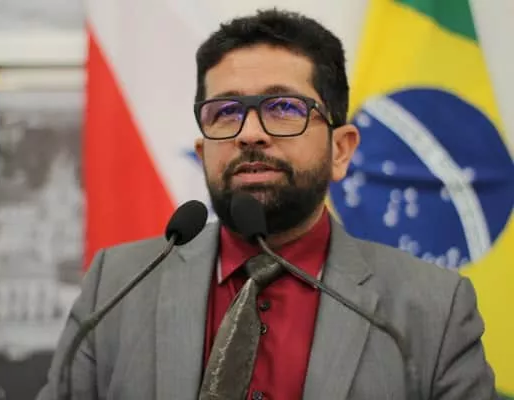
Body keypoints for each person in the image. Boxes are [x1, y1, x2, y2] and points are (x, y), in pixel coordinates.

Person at [37, 9, 496, 400]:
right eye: (226, 112)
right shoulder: (116, 287)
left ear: (341, 151)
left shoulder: (432, 309)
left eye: (285, 108)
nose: (250, 133)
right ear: (203, 152)